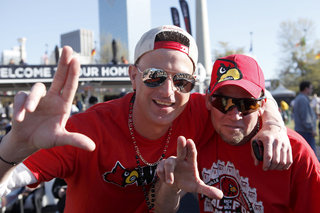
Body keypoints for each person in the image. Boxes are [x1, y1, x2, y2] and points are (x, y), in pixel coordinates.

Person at [0, 26, 290, 213]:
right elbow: (8, 183)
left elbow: (251, 96)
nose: (168, 92)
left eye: (182, 81)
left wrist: (274, 124)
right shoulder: (88, 129)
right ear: (133, 77)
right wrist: (13, 146)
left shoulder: (203, 110)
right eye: (155, 77)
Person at [155, 54, 320, 213]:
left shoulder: (294, 152)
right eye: (223, 102)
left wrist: (273, 123)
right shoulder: (197, 136)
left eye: (247, 104)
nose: (234, 116)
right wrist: (170, 187)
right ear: (208, 101)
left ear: (262, 105)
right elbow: (162, 209)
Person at [293, 81, 317, 153]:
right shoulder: (303, 99)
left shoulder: (300, 98)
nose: (312, 90)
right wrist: (311, 128)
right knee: (310, 154)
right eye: (311, 88)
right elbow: (305, 116)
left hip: (303, 131)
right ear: (306, 89)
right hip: (306, 131)